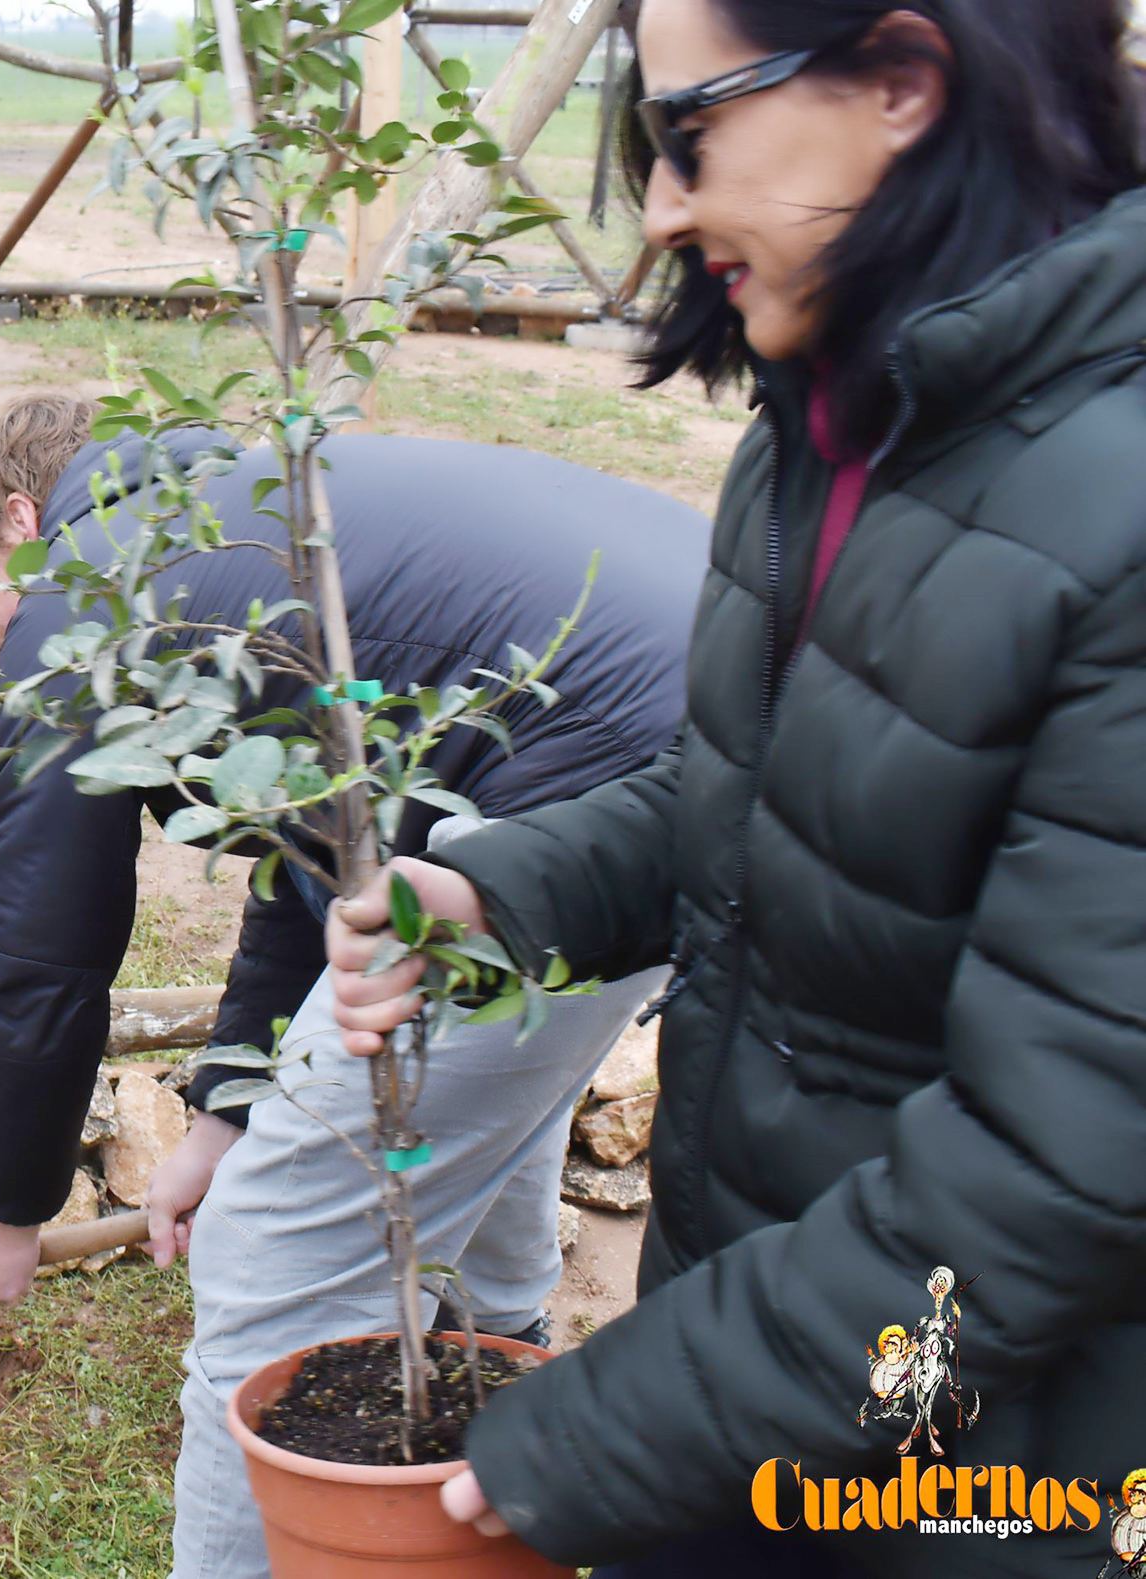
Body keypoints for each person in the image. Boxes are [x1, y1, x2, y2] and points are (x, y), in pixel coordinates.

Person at [324, 3, 1146, 1574]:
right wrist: (498, 889)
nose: (660, 206)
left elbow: (1060, 1165)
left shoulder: (1109, 513)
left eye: (690, 134)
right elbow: (775, 796)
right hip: (775, 1381)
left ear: (901, 81)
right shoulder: (825, 438)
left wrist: (622, 1427)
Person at [0, 393, 709, 1574]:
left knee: (273, 1257)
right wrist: (229, 1106)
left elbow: (40, 947)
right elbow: (332, 855)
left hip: (596, 794)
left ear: (26, 519)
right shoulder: (262, 519)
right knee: (484, 1073)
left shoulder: (83, 593)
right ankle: (495, 1361)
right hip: (720, 754)